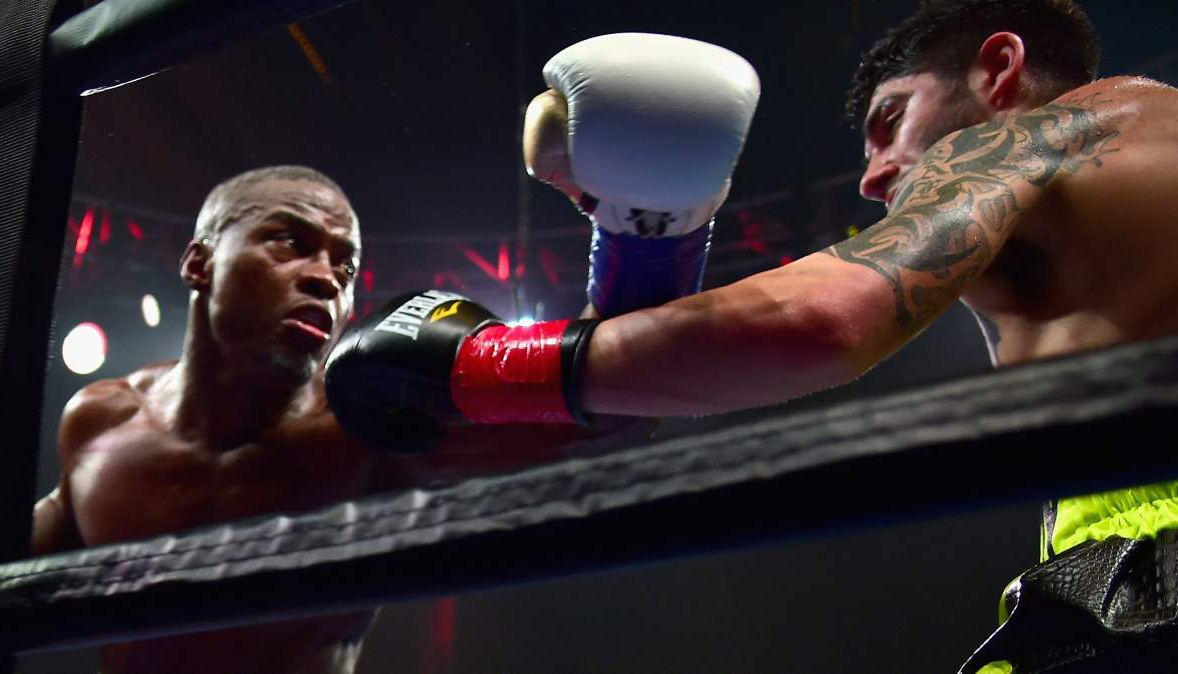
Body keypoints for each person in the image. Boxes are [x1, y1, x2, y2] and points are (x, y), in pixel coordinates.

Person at [329, 2, 1178, 671]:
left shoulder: (1046, 132)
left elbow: (819, 319)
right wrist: (644, 244)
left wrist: (479, 364)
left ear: (999, 69)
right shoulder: (1133, 166)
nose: (873, 176)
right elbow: (684, 368)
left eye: (891, 120)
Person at [28, 165, 627, 674]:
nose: (325, 279)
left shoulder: (364, 427)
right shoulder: (99, 422)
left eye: (346, 268)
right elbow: (7, 585)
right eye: (291, 242)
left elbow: (605, 409)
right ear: (198, 264)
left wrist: (630, 226)